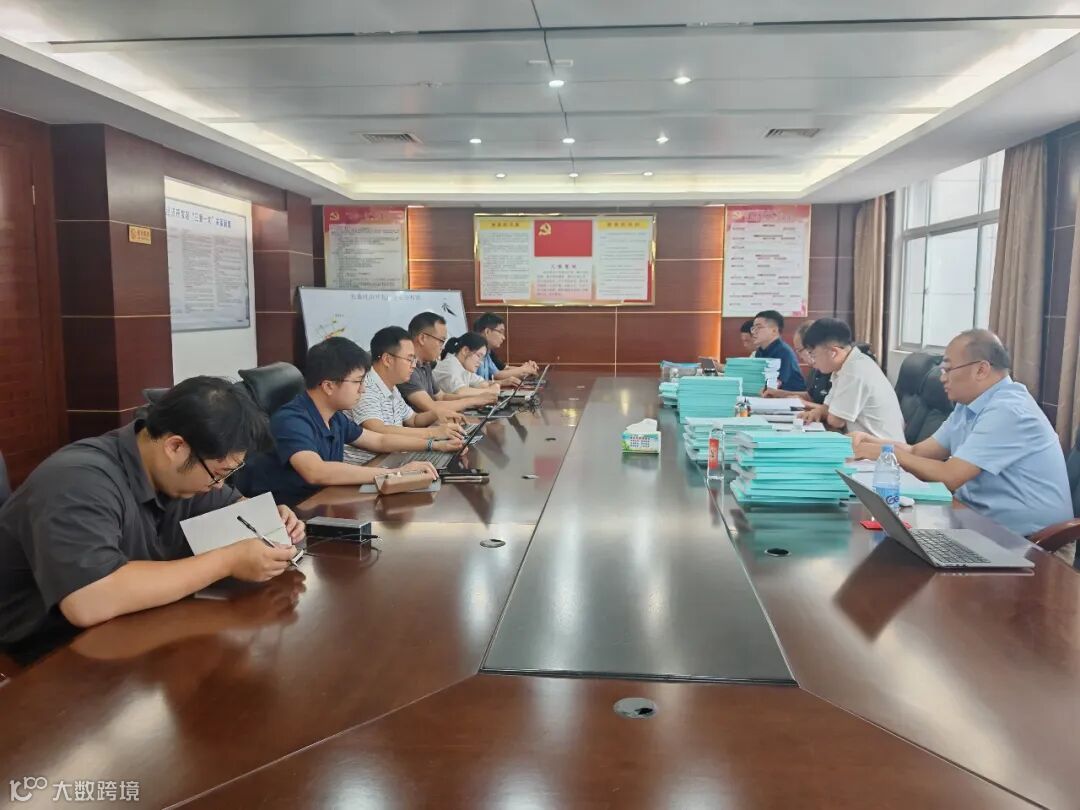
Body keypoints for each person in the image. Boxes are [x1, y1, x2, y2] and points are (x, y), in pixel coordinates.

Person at [0, 377, 306, 665]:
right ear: (175, 447)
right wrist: (227, 561)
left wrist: (274, 521)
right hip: (42, 658)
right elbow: (89, 600)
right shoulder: (76, 481)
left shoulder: (183, 476)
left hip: (131, 635)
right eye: (219, 473)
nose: (219, 486)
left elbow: (237, 511)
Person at [852, 329, 1073, 539]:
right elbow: (919, 452)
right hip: (978, 522)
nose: (942, 378)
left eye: (948, 369)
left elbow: (951, 475)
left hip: (1031, 543)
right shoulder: (967, 406)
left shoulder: (1009, 410)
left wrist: (888, 455)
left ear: (981, 370)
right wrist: (874, 444)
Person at [241, 337, 444, 506]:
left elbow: (379, 440)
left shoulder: (334, 416)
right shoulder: (291, 420)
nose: (362, 389)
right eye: (357, 382)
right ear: (328, 386)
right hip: (291, 515)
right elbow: (316, 471)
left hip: (322, 502)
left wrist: (433, 445)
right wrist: (395, 473)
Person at [344, 326, 466, 464]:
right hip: (370, 465)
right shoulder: (366, 386)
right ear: (387, 360)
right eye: (409, 359)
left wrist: (437, 414)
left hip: (392, 458)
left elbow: (413, 420)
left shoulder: (392, 386)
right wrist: (434, 433)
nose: (414, 365)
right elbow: (378, 430)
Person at [798, 318, 904, 439]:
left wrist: (824, 412)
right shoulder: (845, 366)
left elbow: (836, 421)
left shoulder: (854, 370)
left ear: (833, 352)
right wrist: (818, 412)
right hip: (862, 442)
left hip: (883, 448)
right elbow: (827, 407)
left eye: (813, 354)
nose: (813, 361)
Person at [399, 311, 499, 420]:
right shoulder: (407, 368)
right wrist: (473, 401)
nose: (442, 347)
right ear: (422, 338)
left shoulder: (425, 364)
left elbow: (441, 397)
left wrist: (478, 399)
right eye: (441, 341)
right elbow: (431, 406)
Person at [762, 321, 831, 404]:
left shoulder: (832, 369)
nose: (800, 357)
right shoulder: (816, 369)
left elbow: (830, 409)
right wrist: (777, 393)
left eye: (800, 351)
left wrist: (803, 403)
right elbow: (810, 396)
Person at [473, 312, 539, 384]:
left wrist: (525, 369)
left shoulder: (487, 354)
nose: (503, 337)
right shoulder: (472, 352)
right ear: (487, 332)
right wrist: (502, 382)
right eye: (500, 332)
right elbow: (472, 383)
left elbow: (496, 373)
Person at [751, 309, 806, 392]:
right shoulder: (760, 351)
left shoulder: (784, 351)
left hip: (791, 396)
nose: (754, 332)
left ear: (774, 330)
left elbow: (776, 383)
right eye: (753, 328)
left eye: (758, 327)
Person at [434, 332, 503, 397]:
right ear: (465, 351)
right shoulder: (449, 365)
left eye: (482, 358)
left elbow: (482, 383)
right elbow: (460, 392)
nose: (481, 362)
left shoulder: (464, 367)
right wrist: (489, 391)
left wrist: (493, 386)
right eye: (479, 356)